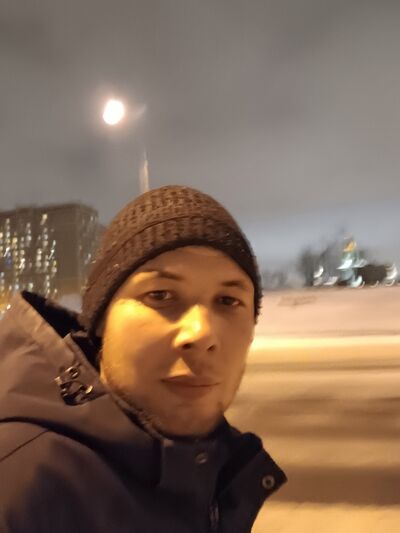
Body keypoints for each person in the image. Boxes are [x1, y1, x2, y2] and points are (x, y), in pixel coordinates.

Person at [0, 185, 286, 532]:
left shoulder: (205, 469)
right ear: (100, 322)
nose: (201, 333)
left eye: (228, 301)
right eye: (160, 295)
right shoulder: (20, 490)